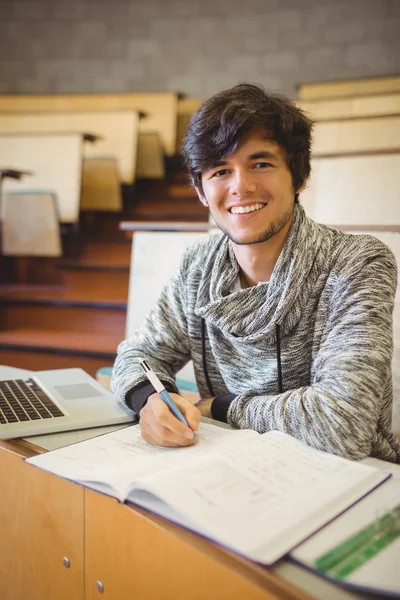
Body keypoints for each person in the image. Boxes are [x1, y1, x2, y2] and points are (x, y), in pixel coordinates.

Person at [112, 83, 400, 463]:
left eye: (260, 164)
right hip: (226, 469)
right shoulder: (197, 267)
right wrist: (151, 399)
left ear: (299, 177)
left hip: (352, 479)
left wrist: (221, 407)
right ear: (201, 190)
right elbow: (139, 354)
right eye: (219, 171)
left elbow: (342, 423)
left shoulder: (356, 262)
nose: (240, 187)